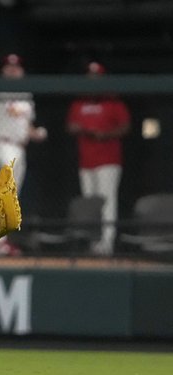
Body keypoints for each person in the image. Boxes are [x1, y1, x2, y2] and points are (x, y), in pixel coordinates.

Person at [0, 53, 47, 256]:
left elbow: (27, 127)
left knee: (11, 198)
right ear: (3, 71)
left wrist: (37, 134)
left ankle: (1, 241)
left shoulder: (26, 96)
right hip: (3, 145)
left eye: (16, 67)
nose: (12, 70)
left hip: (20, 148)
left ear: (22, 71)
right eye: (8, 67)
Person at [66, 61, 130, 256]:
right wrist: (79, 129)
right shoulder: (80, 102)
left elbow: (125, 126)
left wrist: (106, 134)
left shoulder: (112, 101)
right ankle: (93, 242)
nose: (92, 81)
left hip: (108, 160)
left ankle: (106, 243)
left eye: (96, 77)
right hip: (86, 160)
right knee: (89, 203)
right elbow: (70, 125)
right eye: (90, 77)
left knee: (107, 201)